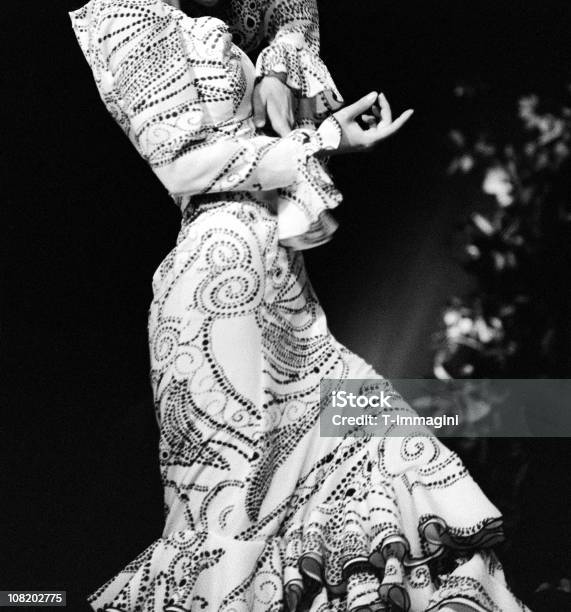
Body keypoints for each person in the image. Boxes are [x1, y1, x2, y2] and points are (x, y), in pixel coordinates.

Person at [69, 0, 529, 610]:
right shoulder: (128, 19)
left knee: (378, 443)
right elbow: (182, 168)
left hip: (283, 282)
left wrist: (326, 129)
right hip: (216, 277)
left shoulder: (236, 28)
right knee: (231, 520)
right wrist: (325, 137)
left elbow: (294, 24)